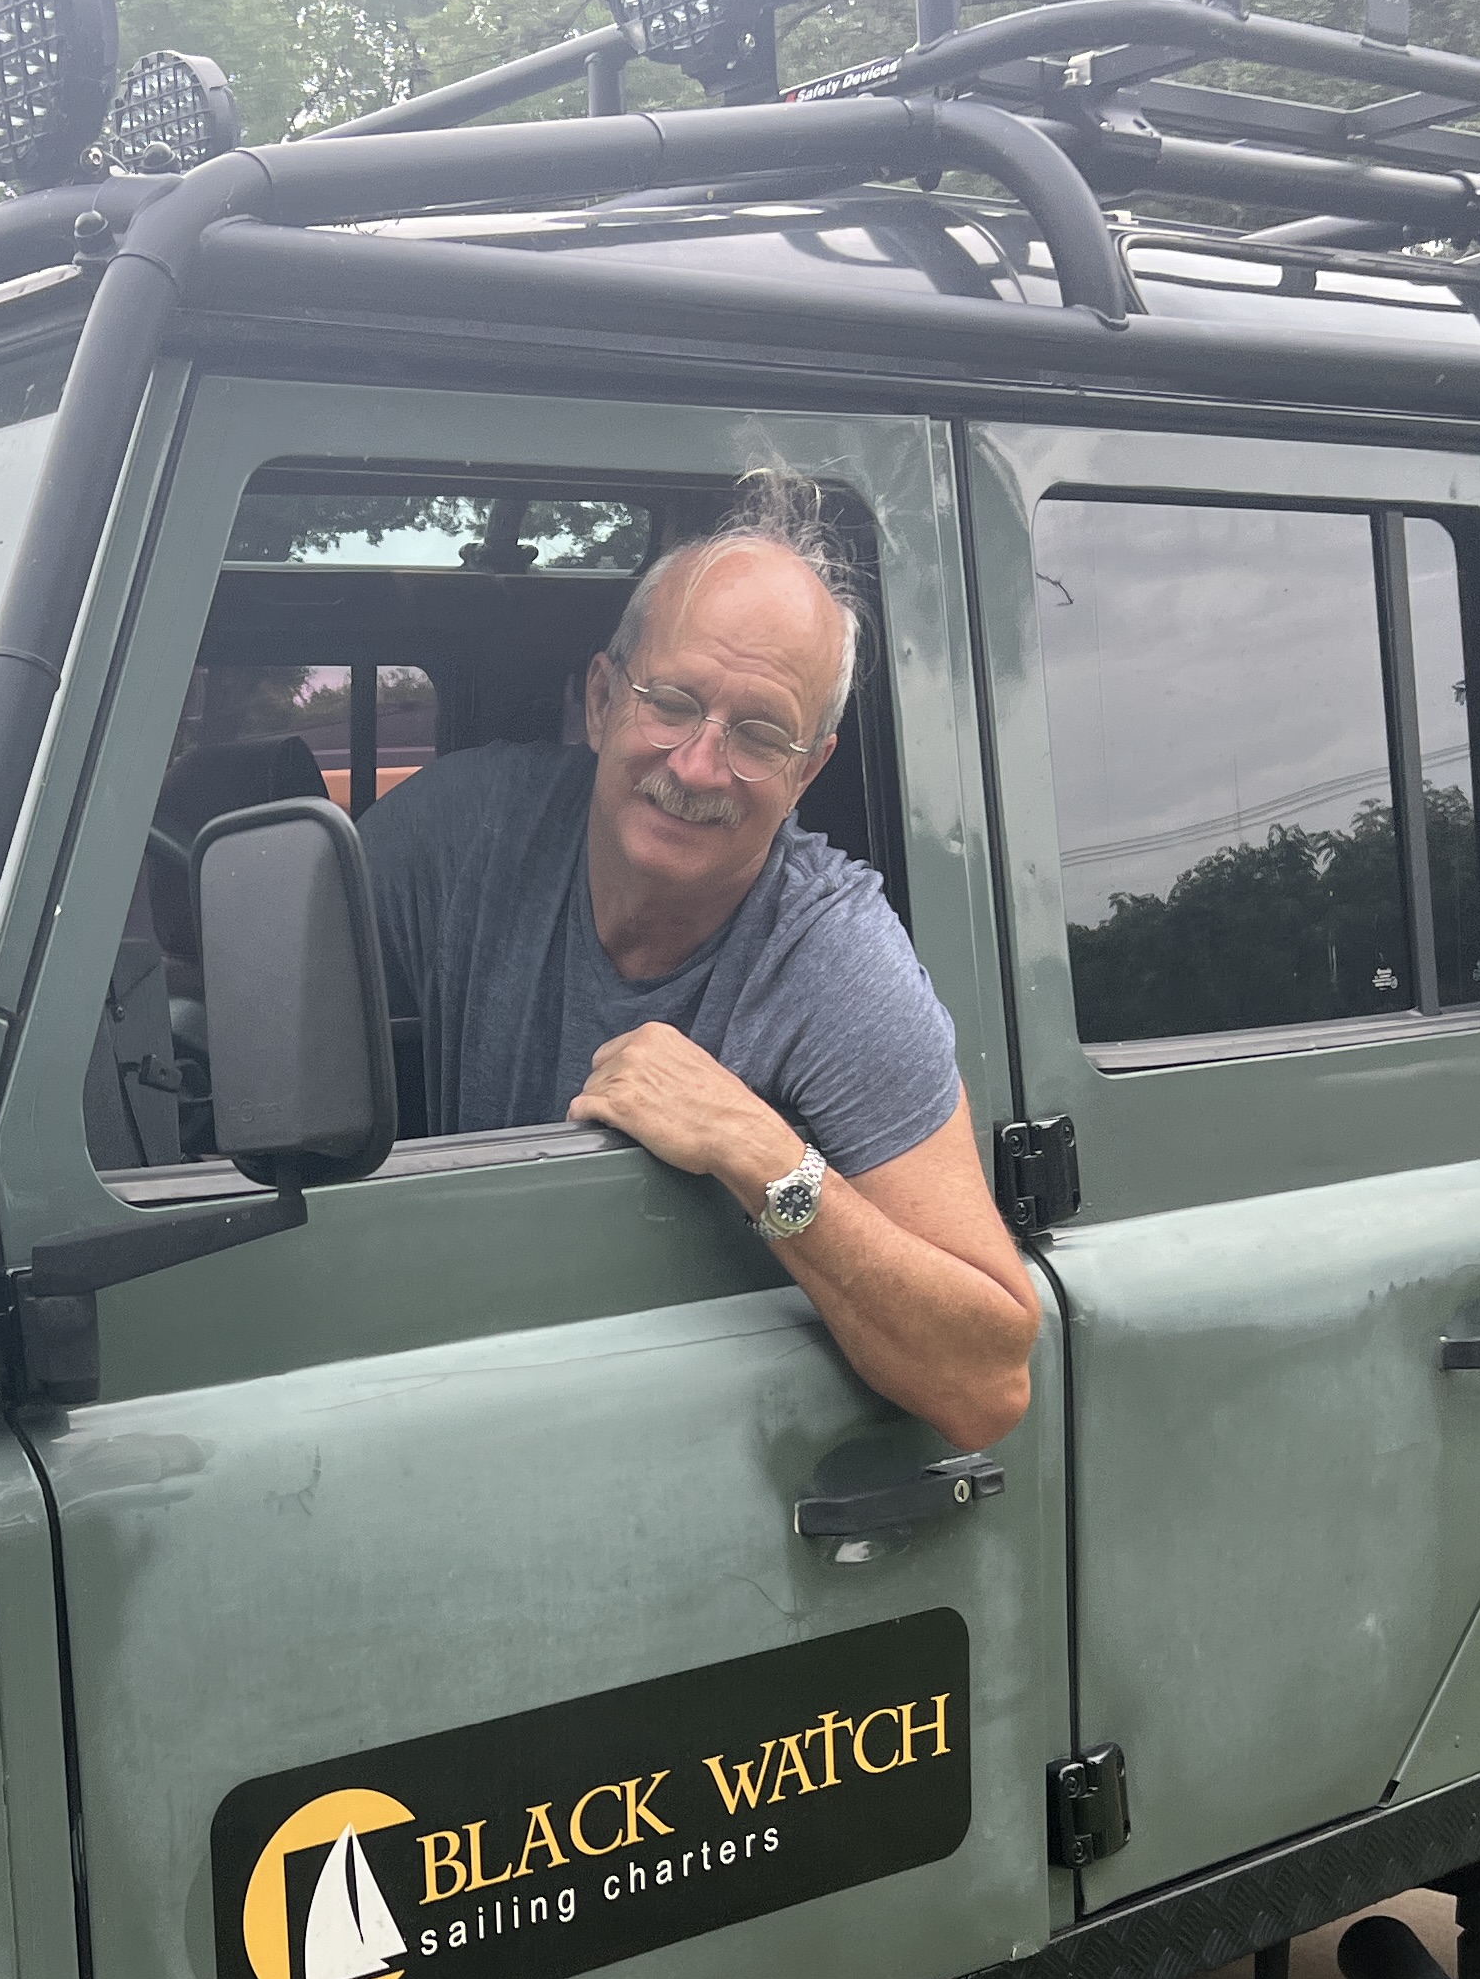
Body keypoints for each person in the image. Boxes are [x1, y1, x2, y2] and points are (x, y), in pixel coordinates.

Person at [359, 490, 1044, 1452]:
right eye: (673, 704)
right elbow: (262, 967)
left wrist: (759, 1153)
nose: (698, 765)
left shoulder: (830, 960)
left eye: (761, 735)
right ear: (602, 700)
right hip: (466, 1384)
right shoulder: (468, 832)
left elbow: (990, 1382)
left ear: (809, 771)